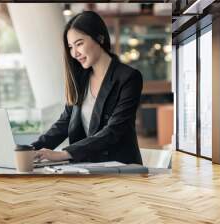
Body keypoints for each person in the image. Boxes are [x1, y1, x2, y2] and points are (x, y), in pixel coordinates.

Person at [31, 11, 143, 165]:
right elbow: (63, 124)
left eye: (79, 43)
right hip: (86, 167)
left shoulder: (129, 77)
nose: (74, 53)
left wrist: (64, 154)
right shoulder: (81, 80)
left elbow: (114, 130)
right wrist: (29, 150)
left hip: (120, 168)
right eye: (70, 47)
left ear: (100, 38)